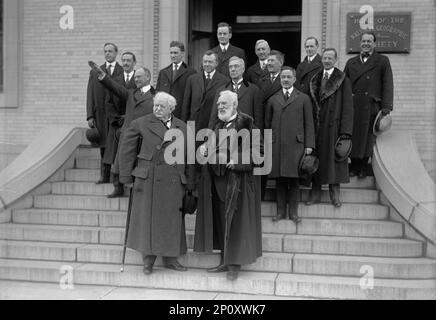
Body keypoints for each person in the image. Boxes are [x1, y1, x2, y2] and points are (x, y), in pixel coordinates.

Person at [118, 92, 194, 275]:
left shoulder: (182, 127)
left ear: (171, 108)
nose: (157, 109)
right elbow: (126, 151)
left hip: (174, 182)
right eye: (156, 105)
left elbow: (190, 158)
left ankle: (171, 259)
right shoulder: (140, 123)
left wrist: (191, 184)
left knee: (171, 221)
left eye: (162, 106)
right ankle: (148, 261)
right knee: (148, 222)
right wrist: (126, 178)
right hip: (148, 180)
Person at [194, 90, 262, 281]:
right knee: (222, 223)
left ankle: (234, 265)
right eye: (218, 104)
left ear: (234, 104)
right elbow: (207, 152)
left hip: (236, 183)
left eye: (224, 103)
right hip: (216, 181)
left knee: (235, 224)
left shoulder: (247, 124)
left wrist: (237, 160)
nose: (220, 107)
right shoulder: (217, 125)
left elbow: (259, 153)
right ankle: (225, 260)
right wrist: (202, 149)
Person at [88, 63, 156, 197]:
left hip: (144, 138)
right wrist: (104, 76)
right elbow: (115, 88)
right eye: (135, 77)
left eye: (139, 77)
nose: (136, 79)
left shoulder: (157, 95)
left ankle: (136, 190)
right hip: (128, 136)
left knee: (138, 166)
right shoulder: (130, 93)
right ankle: (117, 188)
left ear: (148, 77)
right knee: (120, 163)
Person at [265, 67, 315, 223]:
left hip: (296, 145)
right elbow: (267, 124)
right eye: (283, 77)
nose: (285, 80)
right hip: (277, 144)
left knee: (294, 181)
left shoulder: (303, 98)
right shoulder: (273, 99)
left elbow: (309, 123)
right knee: (280, 181)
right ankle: (280, 213)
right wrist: (267, 144)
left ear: (294, 79)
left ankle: (293, 213)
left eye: (288, 77)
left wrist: (309, 145)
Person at [307, 48, 354, 207]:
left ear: (335, 60)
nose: (326, 61)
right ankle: (315, 194)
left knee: (334, 162)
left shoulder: (342, 79)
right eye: (325, 58)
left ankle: (335, 196)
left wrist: (346, 132)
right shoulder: (315, 79)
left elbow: (348, 107)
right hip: (317, 127)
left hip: (334, 127)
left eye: (330, 58)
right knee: (316, 161)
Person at [344, 31, 394, 178]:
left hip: (371, 105)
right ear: (360, 43)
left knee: (367, 137)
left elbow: (388, 83)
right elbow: (344, 84)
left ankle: (364, 167)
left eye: (369, 41)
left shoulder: (382, 60)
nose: (366, 44)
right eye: (364, 41)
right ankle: (353, 166)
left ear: (374, 44)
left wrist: (386, 106)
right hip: (353, 105)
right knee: (353, 134)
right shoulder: (351, 62)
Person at [86, 43, 123, 184]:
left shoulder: (121, 70)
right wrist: (90, 115)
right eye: (105, 51)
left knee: (115, 145)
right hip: (100, 114)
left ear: (116, 53)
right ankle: (104, 175)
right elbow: (90, 94)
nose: (107, 53)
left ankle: (116, 176)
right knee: (103, 145)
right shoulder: (95, 71)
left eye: (110, 51)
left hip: (115, 114)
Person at [103, 51, 137, 198]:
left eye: (129, 60)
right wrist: (116, 119)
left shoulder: (139, 79)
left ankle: (132, 185)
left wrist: (129, 118)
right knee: (116, 156)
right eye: (123, 60)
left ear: (134, 62)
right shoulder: (115, 79)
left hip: (133, 124)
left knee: (130, 155)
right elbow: (108, 101)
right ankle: (117, 186)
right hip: (117, 124)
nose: (125, 63)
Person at [257, 50, 285, 200]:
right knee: (262, 161)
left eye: (272, 61)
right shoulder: (261, 80)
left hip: (279, 125)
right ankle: (261, 195)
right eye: (268, 61)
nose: (269, 63)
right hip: (263, 125)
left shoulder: (286, 79)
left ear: (280, 63)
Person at [208, 56, 263, 130]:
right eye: (230, 67)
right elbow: (214, 117)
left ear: (243, 69)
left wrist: (256, 138)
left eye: (236, 66)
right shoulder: (221, 90)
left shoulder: (253, 90)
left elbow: (258, 119)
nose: (233, 69)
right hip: (225, 134)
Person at [181, 50, 228, 131]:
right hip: (194, 125)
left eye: (210, 62)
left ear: (216, 63)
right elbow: (186, 105)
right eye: (205, 61)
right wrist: (184, 125)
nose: (207, 64)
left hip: (213, 125)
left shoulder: (224, 81)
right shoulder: (192, 79)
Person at [156, 41, 196, 119]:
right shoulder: (163, 72)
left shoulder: (191, 72)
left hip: (183, 116)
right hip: (165, 116)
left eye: (175, 53)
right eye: (171, 53)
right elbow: (158, 94)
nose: (172, 55)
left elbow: (193, 99)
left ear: (182, 53)